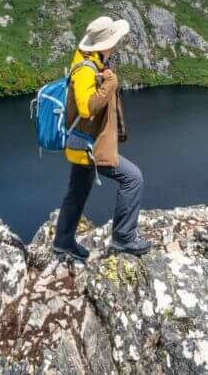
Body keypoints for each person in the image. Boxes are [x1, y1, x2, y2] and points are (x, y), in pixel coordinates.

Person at [52, 16, 152, 261]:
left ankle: (63, 242)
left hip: (81, 143)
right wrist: (110, 83)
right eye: (115, 40)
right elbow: (87, 107)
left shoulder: (94, 62)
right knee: (133, 178)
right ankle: (124, 238)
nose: (117, 44)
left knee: (77, 191)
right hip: (91, 146)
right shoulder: (87, 69)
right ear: (105, 44)